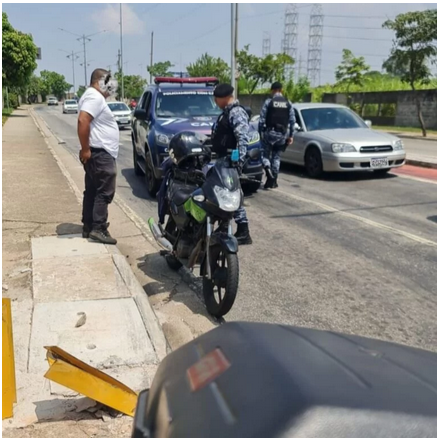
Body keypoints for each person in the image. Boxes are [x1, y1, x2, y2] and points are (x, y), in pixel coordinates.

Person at [77, 68, 119, 244]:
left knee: (92, 190)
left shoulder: (92, 96)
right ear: (100, 81)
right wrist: (85, 149)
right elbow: (83, 120)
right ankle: (98, 228)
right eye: (109, 83)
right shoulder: (94, 97)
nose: (111, 87)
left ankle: (89, 225)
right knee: (104, 192)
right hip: (100, 154)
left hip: (97, 153)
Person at [211, 83, 252, 245]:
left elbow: (243, 139)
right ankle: (224, 225)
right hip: (223, 160)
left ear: (223, 98)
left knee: (232, 195)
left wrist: (238, 162)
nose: (215, 102)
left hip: (230, 162)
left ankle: (243, 230)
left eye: (216, 99)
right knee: (223, 194)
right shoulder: (227, 113)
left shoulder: (236, 112)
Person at [259, 82, 295, 189]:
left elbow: (261, 120)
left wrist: (260, 133)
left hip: (269, 133)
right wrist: (291, 136)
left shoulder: (268, 102)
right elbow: (292, 121)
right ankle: (274, 180)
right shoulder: (288, 103)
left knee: (264, 155)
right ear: (281, 90)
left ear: (272, 90)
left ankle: (267, 170)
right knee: (276, 157)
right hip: (282, 134)